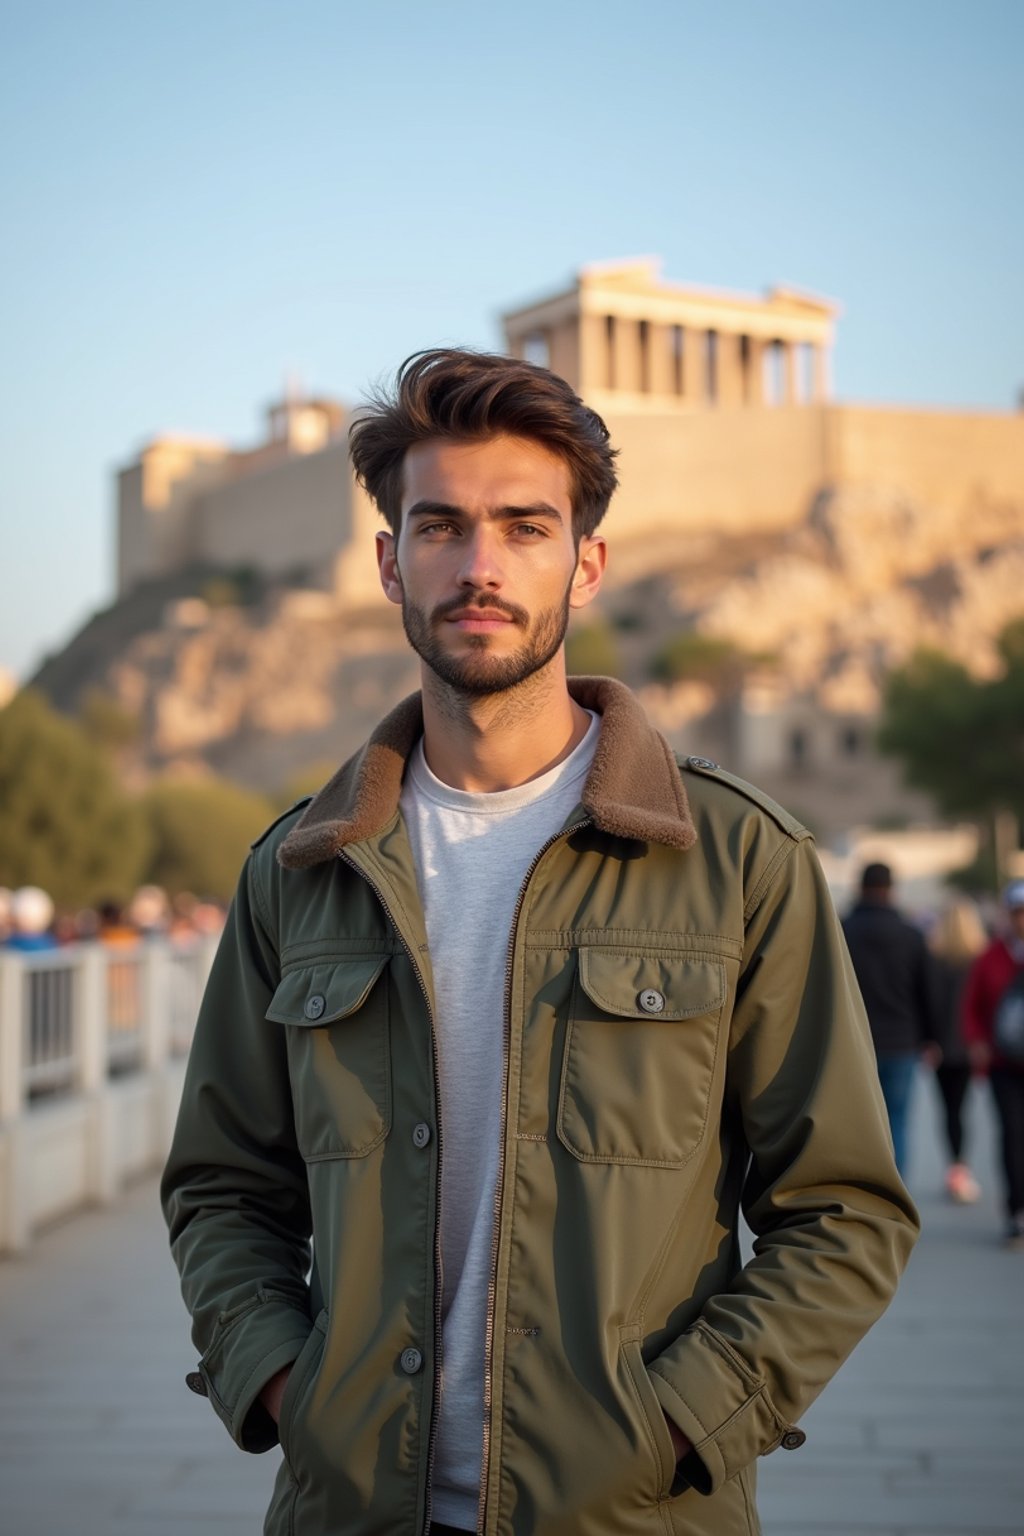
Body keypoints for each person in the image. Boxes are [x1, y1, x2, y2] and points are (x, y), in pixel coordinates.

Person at [162, 348, 919, 1536]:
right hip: (349, 1507)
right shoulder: (295, 872)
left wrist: (676, 1425)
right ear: (385, 560)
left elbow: (847, 1208)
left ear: (586, 562)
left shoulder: (734, 861)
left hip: (631, 1512)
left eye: (524, 527)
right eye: (440, 527)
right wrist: (281, 1383)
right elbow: (221, 1185)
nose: (478, 567)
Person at [842, 862, 938, 1179]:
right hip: (902, 1041)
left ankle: (861, 1192)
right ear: (891, 889)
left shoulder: (841, 931)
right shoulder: (911, 935)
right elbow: (927, 991)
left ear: (861, 888)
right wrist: (931, 1038)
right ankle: (895, 1196)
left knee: (857, 1123)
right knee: (897, 1119)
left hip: (853, 1042)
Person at [963, 879, 1024, 1250]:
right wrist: (977, 1043)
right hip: (1004, 1065)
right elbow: (972, 1006)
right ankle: (1016, 1212)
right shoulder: (992, 956)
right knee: (1013, 1137)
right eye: (1017, 913)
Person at [927, 896, 988, 1202]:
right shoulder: (980, 958)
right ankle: (961, 1168)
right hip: (968, 1046)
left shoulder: (935, 958)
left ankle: (954, 1167)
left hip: (941, 1047)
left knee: (948, 1110)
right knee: (963, 1109)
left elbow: (931, 1005)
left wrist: (929, 1040)